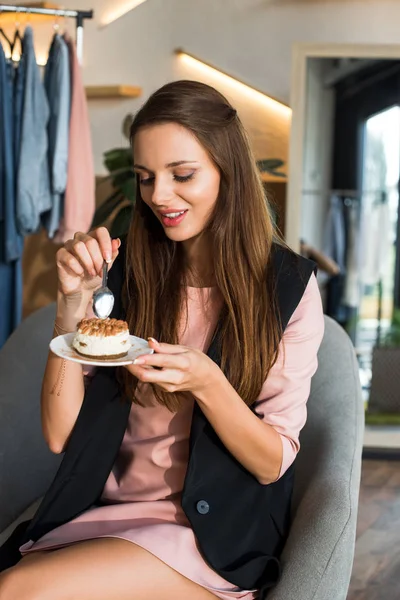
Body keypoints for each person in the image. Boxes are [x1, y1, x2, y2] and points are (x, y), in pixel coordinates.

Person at [0, 80, 324, 600]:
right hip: (104, 516)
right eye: (146, 178)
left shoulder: (287, 287)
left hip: (206, 538)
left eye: (183, 175)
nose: (159, 197)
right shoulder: (129, 271)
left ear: (228, 170)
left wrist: (208, 383)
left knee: (17, 591)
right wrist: (72, 302)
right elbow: (61, 436)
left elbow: (271, 461)